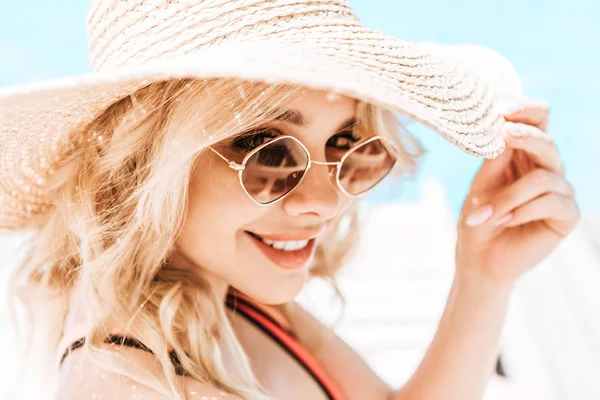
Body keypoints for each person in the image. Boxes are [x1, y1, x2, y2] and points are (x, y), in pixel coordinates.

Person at [0, 1, 579, 399]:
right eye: (268, 153)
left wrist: (483, 276)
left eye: (349, 146)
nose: (324, 202)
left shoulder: (231, 300)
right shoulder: (124, 382)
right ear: (144, 166)